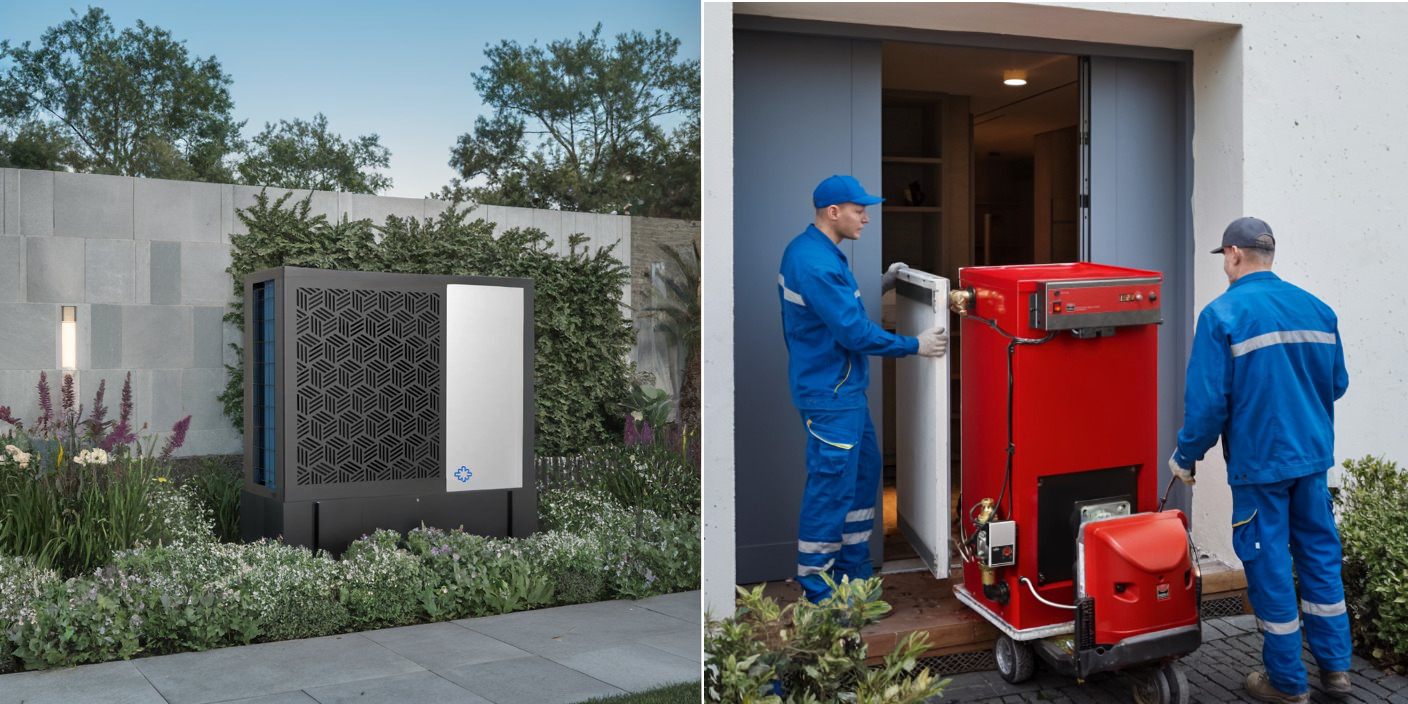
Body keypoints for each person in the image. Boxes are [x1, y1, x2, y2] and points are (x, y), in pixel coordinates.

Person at [1169, 217, 1351, 703]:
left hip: (1260, 466)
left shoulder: (1222, 314)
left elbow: (1208, 405)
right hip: (1311, 461)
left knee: (1269, 566)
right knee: (1319, 559)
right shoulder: (1318, 309)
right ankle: (1336, 670)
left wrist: (1186, 457)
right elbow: (1337, 385)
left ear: (1233, 255)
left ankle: (1288, 684)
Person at [778, 174, 948, 604]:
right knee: (831, 489)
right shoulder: (814, 262)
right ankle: (818, 595)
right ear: (833, 212)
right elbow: (852, 331)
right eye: (860, 210)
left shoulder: (818, 252)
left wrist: (883, 282)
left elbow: (839, 302)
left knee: (861, 480)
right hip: (830, 396)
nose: (867, 219)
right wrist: (915, 345)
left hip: (844, 394)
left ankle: (854, 582)